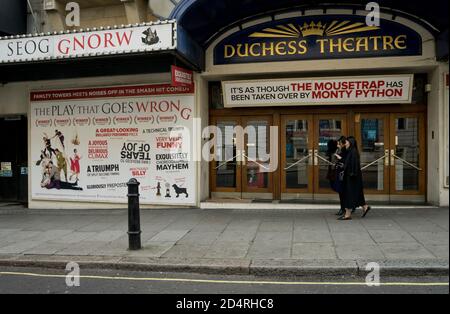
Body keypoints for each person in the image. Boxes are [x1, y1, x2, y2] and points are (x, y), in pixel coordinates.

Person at [338, 136, 371, 220]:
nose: (345, 143)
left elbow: (353, 165)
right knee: (357, 193)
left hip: (352, 177)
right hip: (353, 177)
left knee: (349, 194)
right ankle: (365, 207)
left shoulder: (353, 152)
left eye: (347, 142)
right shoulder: (351, 151)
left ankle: (348, 214)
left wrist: (349, 172)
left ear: (351, 143)